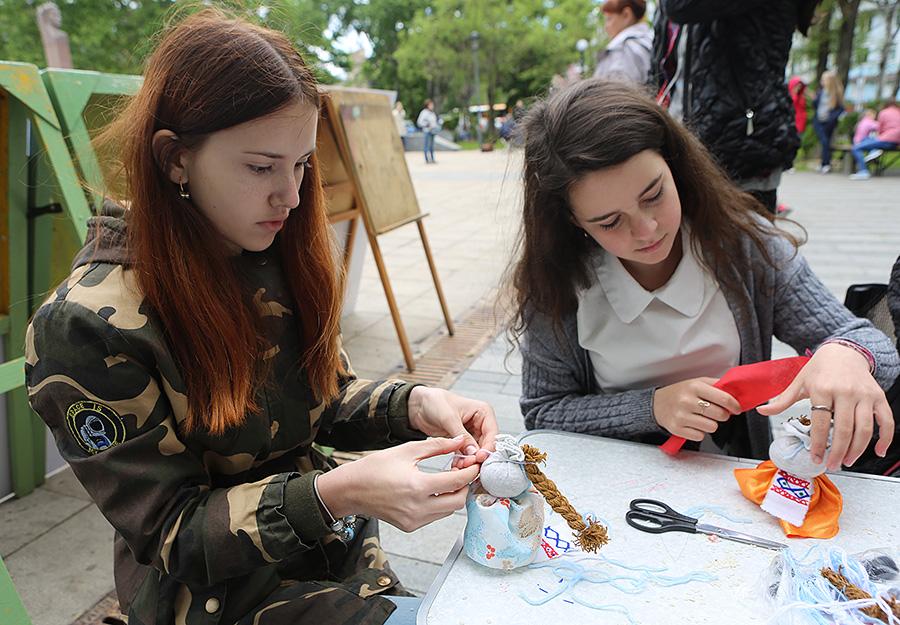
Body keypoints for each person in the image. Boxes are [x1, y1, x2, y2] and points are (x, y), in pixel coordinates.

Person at [24, 10, 498, 625]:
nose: (292, 196)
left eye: (302, 164)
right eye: (261, 167)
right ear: (175, 158)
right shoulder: (84, 325)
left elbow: (324, 396)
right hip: (220, 601)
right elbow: (172, 532)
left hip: (335, 559)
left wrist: (414, 406)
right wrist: (340, 492)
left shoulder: (266, 249)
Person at [511, 79, 897, 470]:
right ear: (572, 220)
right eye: (610, 222)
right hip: (609, 480)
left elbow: (869, 344)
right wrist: (652, 407)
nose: (647, 230)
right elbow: (543, 412)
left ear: (674, 165)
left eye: (654, 195)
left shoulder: (745, 247)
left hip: (732, 476)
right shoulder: (558, 282)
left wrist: (846, 355)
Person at [650, 0, 823, 214]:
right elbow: (659, 67)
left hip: (742, 141)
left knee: (743, 234)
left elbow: (680, 7)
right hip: (686, 142)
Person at [593, 0, 653, 84]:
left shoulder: (623, 49)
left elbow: (617, 90)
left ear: (626, 15)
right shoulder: (648, 41)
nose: (606, 26)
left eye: (609, 19)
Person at [850, 99, 900, 180]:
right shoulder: (898, 112)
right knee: (871, 141)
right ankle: (874, 151)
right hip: (896, 142)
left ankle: (863, 171)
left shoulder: (883, 112)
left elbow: (879, 130)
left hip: (886, 140)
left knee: (856, 148)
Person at [812, 70, 845, 174]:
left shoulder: (836, 94)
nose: (822, 81)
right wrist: (814, 99)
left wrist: (832, 118)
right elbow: (815, 105)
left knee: (826, 143)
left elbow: (841, 109)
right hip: (819, 121)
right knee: (824, 142)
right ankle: (825, 164)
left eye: (824, 79)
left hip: (829, 123)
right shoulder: (820, 92)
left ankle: (825, 164)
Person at [416, 99, 439, 164]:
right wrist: (426, 124)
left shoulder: (432, 113)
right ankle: (427, 159)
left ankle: (432, 158)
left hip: (433, 131)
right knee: (426, 145)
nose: (432, 106)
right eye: (431, 105)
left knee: (431, 146)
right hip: (427, 131)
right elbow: (419, 122)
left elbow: (434, 122)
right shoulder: (424, 113)